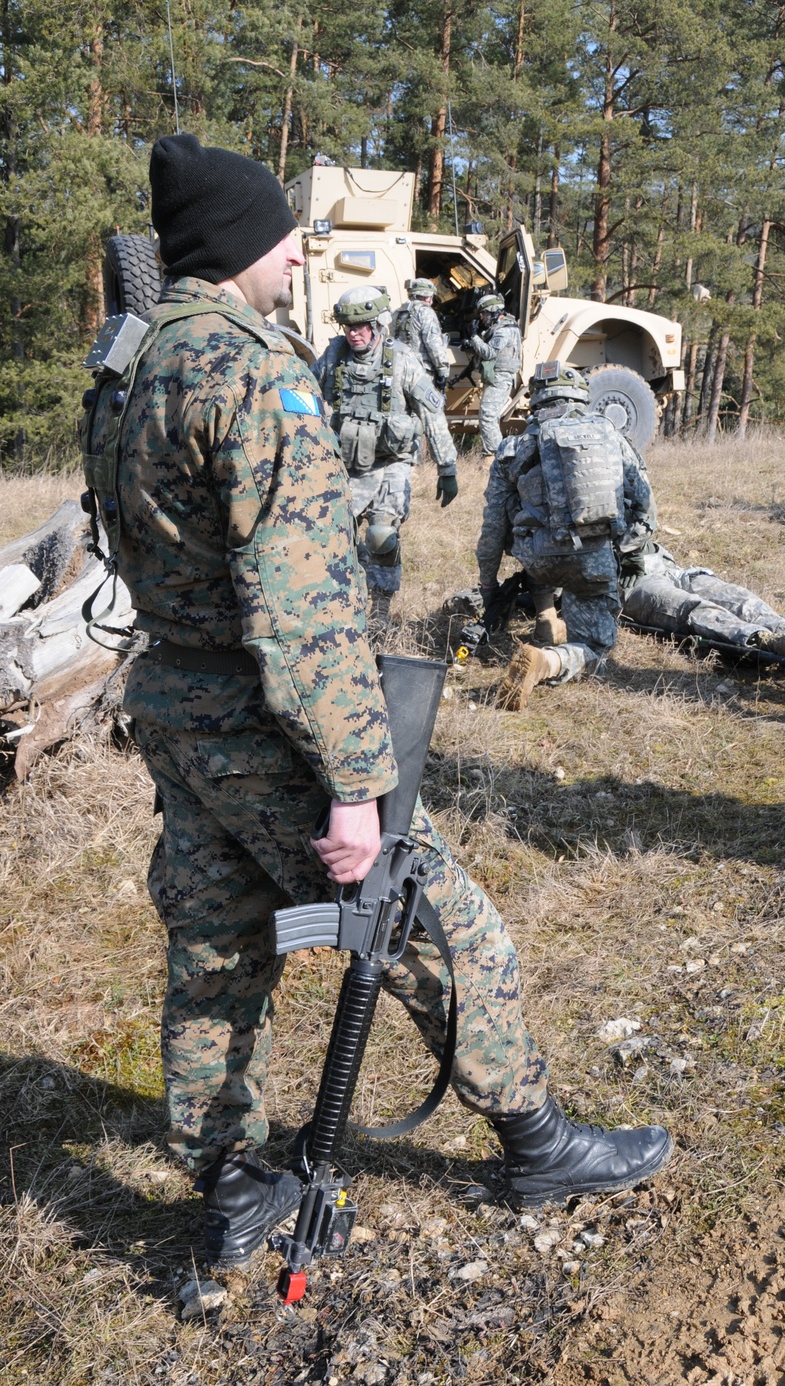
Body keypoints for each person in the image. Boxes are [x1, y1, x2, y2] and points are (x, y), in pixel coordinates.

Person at [83, 134, 671, 1270]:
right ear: (240, 246)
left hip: (173, 703)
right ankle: (536, 1141)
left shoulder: (130, 362)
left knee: (214, 950)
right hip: (268, 723)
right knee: (444, 927)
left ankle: (232, 1179)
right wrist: (357, 785)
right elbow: (298, 609)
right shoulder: (248, 369)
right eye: (280, 234)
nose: (297, 252)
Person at [476, 361, 654, 709]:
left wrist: (488, 585)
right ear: (579, 396)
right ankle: (547, 662)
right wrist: (631, 554)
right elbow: (644, 504)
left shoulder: (512, 449)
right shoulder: (609, 436)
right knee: (596, 647)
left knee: (529, 522)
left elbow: (493, 528)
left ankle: (546, 615)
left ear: (536, 400)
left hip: (538, 562)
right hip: (593, 562)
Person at [312, 286, 459, 630]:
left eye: (361, 326)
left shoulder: (403, 360)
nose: (354, 333)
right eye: (348, 327)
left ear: (378, 324)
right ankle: (343, 603)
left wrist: (447, 466)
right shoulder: (334, 356)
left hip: (391, 462)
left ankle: (379, 612)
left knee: (381, 536)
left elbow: (432, 413)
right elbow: (305, 392)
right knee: (332, 538)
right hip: (346, 464)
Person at [618, 543, 785, 670]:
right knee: (694, 608)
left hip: (669, 567)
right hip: (631, 581)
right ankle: (768, 642)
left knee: (738, 598)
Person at [463, 292, 522, 455]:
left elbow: (489, 353)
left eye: (484, 314)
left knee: (488, 416)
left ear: (494, 312)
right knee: (489, 415)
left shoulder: (504, 330)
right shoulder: (504, 326)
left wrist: (474, 336)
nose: (482, 317)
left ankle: (497, 455)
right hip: (499, 377)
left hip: (500, 378)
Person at [390, 277, 451, 391]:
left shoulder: (397, 312)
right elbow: (433, 345)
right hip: (420, 373)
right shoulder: (425, 312)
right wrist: (443, 371)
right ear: (428, 297)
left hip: (399, 369)